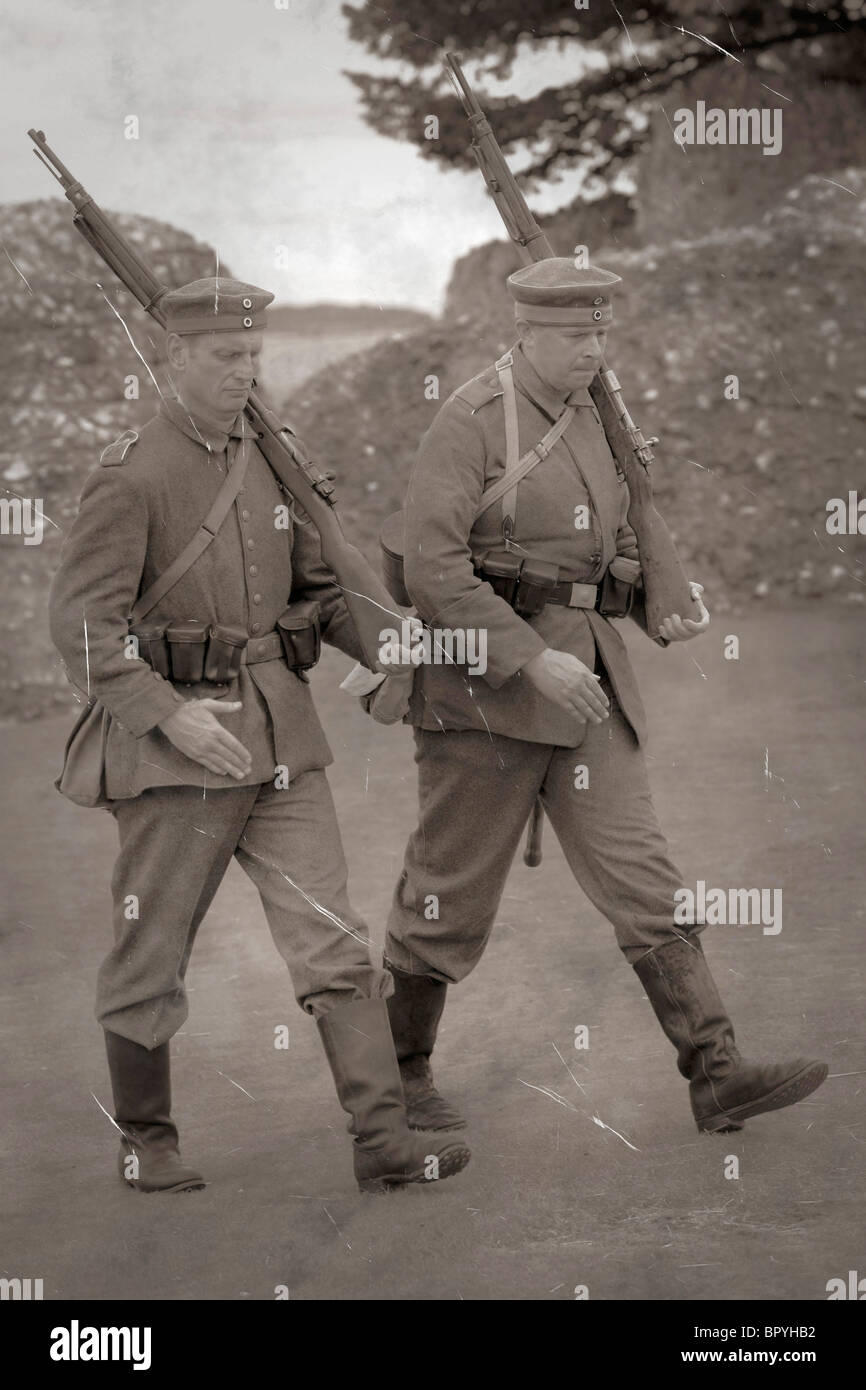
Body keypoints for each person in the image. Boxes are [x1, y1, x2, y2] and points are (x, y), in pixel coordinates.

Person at [383, 258, 827, 1137]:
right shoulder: (470, 419)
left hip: (587, 680)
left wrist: (657, 595)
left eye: (599, 333)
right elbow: (431, 569)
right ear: (525, 332)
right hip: (484, 692)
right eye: (574, 335)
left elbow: (603, 547)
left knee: (646, 877)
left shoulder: (596, 419)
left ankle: (717, 1071)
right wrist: (523, 655)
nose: (592, 349)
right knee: (449, 890)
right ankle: (399, 1078)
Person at [48, 276, 470, 1194]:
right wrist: (167, 714)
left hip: (279, 743)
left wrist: (392, 645)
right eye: (223, 356)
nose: (245, 371)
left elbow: (322, 590)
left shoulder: (275, 458)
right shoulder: (132, 473)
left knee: (331, 939)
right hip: (174, 756)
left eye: (253, 355)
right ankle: (147, 1141)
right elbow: (84, 630)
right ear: (174, 357)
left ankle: (384, 1141)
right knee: (151, 946)